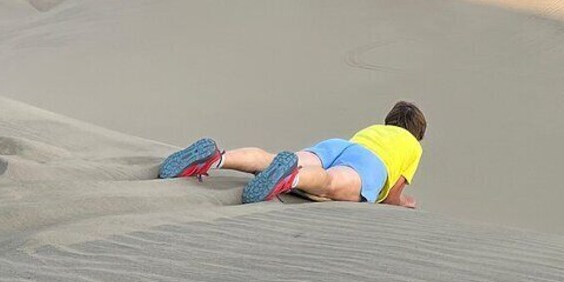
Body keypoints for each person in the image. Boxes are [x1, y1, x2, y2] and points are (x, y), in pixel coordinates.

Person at [160, 101, 426, 208]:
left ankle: (216, 158)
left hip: (340, 145)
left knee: (271, 159)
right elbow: (392, 194)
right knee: (329, 183)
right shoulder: (413, 146)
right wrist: (403, 203)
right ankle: (291, 179)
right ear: (417, 132)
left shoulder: (375, 129)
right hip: (370, 165)